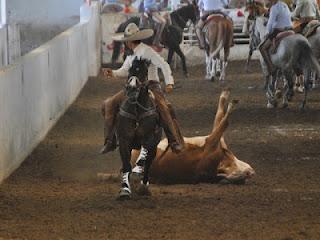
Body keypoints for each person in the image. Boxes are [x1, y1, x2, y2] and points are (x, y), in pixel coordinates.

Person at [100, 23, 184, 156]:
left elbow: (163, 64)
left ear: (130, 41)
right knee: (109, 104)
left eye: (126, 40)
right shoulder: (130, 54)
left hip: (150, 85)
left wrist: (169, 82)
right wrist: (114, 73)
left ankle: (173, 141)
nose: (126, 43)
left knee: (162, 106)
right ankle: (110, 141)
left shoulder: (147, 52)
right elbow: (124, 70)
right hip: (132, 86)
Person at [258, 0, 292, 75]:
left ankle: (271, 68)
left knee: (261, 48)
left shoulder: (274, 8)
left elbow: (270, 23)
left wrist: (267, 33)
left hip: (279, 30)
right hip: (290, 29)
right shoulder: (284, 5)